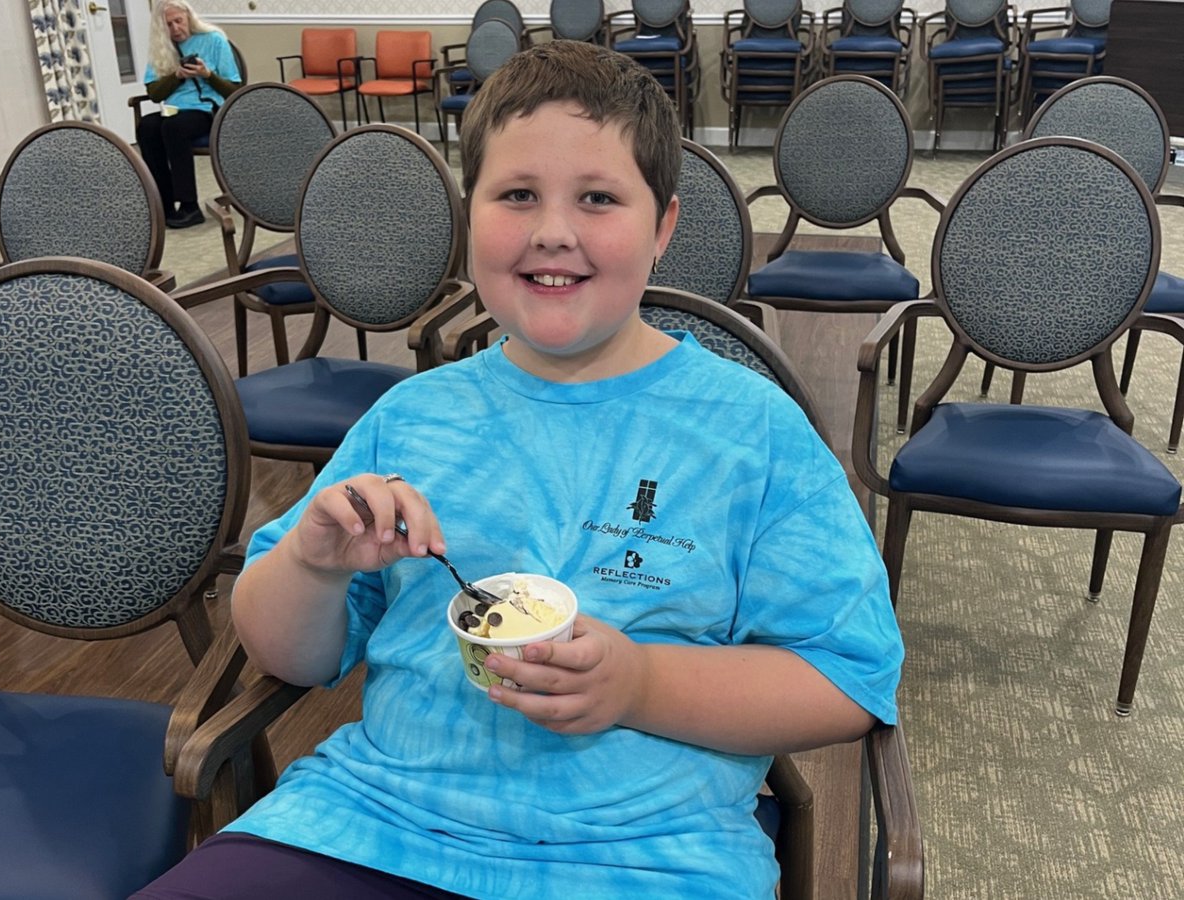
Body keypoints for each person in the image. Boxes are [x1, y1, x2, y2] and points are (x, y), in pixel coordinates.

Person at [134, 41, 903, 900]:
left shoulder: (752, 431)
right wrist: (311, 565)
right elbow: (292, 656)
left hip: (642, 853)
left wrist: (638, 683)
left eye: (600, 199)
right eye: (517, 195)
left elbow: (847, 679)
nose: (552, 231)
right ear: (472, 217)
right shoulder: (411, 416)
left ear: (664, 229)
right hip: (371, 821)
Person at [137, 0, 240, 228]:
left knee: (173, 127)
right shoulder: (161, 47)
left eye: (178, 21)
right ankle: (163, 206)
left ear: (188, 18)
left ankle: (189, 206)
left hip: (207, 110)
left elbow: (235, 89)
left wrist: (207, 74)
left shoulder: (214, 39)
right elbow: (154, 93)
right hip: (174, 109)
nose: (175, 29)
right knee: (147, 126)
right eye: (169, 25)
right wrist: (177, 76)